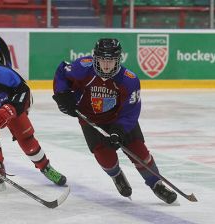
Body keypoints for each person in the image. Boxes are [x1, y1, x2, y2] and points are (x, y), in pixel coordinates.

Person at [52, 38, 177, 204]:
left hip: (119, 120)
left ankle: (156, 184)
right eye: (102, 60)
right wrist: (62, 95)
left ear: (118, 60)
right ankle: (116, 175)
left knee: (140, 152)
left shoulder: (129, 80)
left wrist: (119, 130)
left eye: (110, 61)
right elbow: (62, 72)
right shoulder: (83, 67)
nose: (106, 65)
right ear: (95, 58)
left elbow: (131, 112)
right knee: (105, 157)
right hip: (92, 121)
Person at [0, 55, 66, 190]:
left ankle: (46, 168)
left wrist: (12, 108)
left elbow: (24, 91)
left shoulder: (4, 74)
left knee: (25, 135)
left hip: (11, 106)